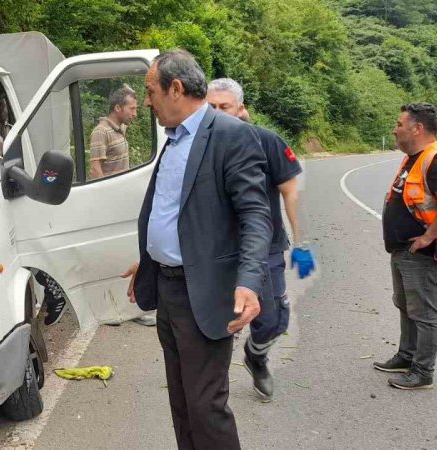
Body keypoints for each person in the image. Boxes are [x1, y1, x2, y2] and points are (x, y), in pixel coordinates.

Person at [121, 50, 271, 449]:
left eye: (151, 91)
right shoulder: (173, 139)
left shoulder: (230, 135)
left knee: (206, 405)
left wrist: (249, 282)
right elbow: (177, 212)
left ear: (176, 88)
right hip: (169, 290)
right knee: (182, 401)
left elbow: (256, 214)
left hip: (203, 290)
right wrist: (150, 258)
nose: (147, 100)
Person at [206, 78, 305, 401]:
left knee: (273, 317)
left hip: (265, 245)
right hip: (216, 248)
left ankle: (257, 355)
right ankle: (212, 383)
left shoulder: (266, 141)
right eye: (211, 108)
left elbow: (290, 191)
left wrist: (300, 242)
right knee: (219, 317)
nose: (218, 114)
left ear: (241, 109)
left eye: (225, 107)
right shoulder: (196, 145)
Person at [374, 103, 437, 389]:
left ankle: (423, 371)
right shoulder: (415, 157)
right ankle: (407, 356)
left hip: (424, 253)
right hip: (404, 250)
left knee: (424, 313)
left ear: (417, 128)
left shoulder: (436, 160)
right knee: (406, 305)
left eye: (399, 124)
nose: (394, 129)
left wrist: (429, 236)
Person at [89, 84, 139, 180]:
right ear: (117, 108)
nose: (135, 114)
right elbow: (95, 170)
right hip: (111, 192)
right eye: (132, 109)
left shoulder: (121, 127)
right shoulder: (101, 132)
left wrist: (131, 93)